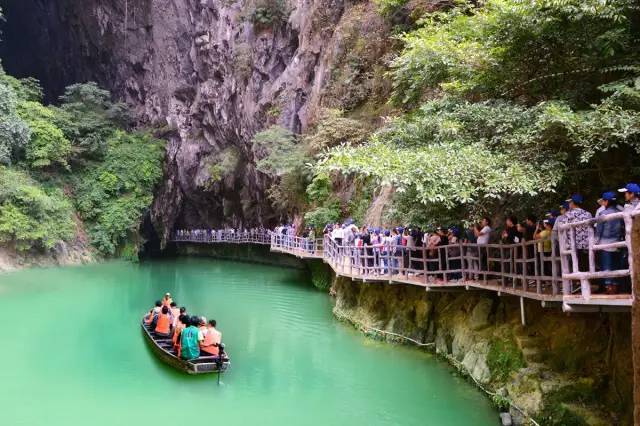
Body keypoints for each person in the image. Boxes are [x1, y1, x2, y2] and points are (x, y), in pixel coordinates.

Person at [596, 191, 624, 294]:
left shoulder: (602, 214)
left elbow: (599, 230)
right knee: (616, 265)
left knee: (606, 266)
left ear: (606, 201)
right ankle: (616, 287)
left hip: (605, 243)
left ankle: (609, 288)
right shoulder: (620, 212)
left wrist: (595, 243)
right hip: (618, 242)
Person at [565, 194, 593, 272]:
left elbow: (564, 229)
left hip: (573, 245)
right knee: (586, 264)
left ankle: (578, 282)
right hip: (586, 245)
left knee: (575, 266)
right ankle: (587, 281)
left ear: (572, 203)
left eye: (570, 202)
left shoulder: (568, 215)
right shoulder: (588, 214)